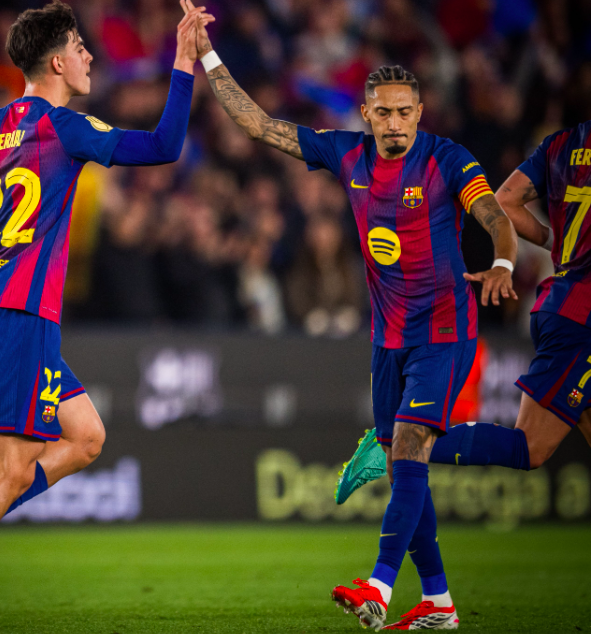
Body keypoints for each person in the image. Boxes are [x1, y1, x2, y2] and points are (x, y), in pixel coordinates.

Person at [183, 2, 518, 629]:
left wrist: (502, 262)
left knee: (411, 445)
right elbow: (257, 125)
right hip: (386, 337)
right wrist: (207, 53)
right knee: (405, 460)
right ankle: (439, 602)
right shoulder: (345, 155)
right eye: (383, 112)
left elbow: (494, 215)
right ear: (366, 114)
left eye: (405, 112)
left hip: (444, 330)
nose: (394, 122)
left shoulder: (446, 159)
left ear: (420, 112)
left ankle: (379, 586)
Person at [0, 1, 211, 630]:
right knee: (11, 470)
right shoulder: (65, 126)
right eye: (80, 46)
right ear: (58, 62)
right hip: (19, 313)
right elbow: (165, 145)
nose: (90, 55)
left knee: (85, 436)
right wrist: (182, 59)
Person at [339, 121, 591, 497]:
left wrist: (560, 245)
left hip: (563, 302)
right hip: (582, 316)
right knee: (530, 446)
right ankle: (395, 440)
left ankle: (399, 438)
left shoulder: (563, 143)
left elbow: (505, 200)